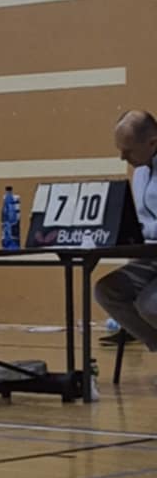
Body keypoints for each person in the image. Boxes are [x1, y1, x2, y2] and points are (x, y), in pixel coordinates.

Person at [94, 108, 157, 357]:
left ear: (152, 142)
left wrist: (143, 233)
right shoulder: (140, 171)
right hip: (150, 256)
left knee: (149, 305)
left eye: (128, 151)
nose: (122, 157)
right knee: (107, 290)